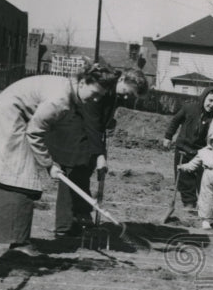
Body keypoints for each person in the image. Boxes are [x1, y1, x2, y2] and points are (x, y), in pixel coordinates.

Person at [0, 65, 119, 255]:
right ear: (82, 82)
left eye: (100, 97)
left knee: (14, 175)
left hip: (16, 118)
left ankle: (2, 235)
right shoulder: (60, 99)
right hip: (9, 119)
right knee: (21, 178)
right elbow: (35, 132)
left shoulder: (69, 91)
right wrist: (48, 164)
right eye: (94, 93)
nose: (95, 99)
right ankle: (19, 242)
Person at [54, 62, 148, 237]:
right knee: (71, 174)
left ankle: (79, 217)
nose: (127, 98)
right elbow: (92, 122)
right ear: (123, 79)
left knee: (83, 171)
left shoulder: (114, 93)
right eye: (128, 92)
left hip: (87, 134)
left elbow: (99, 121)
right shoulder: (102, 86)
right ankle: (64, 228)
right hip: (73, 132)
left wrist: (108, 123)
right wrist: (100, 155)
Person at [162, 87, 213, 210]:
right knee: (184, 178)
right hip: (183, 149)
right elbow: (175, 121)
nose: (212, 105)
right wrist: (168, 136)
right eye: (210, 100)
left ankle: (206, 205)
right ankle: (189, 204)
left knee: (203, 180)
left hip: (201, 152)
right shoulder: (189, 108)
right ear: (204, 97)